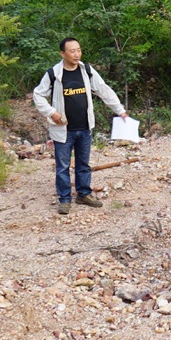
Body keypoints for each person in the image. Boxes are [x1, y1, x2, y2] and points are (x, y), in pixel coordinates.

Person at [32, 38, 129, 216]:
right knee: (62, 166)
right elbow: (38, 95)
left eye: (78, 50)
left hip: (85, 127)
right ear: (62, 53)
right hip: (63, 130)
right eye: (72, 51)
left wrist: (120, 111)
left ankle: (83, 194)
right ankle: (65, 199)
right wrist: (51, 112)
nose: (76, 54)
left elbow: (104, 90)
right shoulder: (54, 73)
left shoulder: (87, 71)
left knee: (83, 164)